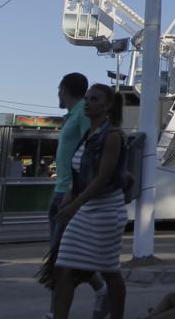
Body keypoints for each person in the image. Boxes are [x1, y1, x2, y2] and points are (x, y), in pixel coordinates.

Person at [52, 84, 128, 319]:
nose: (87, 102)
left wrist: (74, 206)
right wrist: (70, 196)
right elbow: (82, 174)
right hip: (86, 208)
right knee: (63, 266)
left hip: (106, 210)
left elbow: (102, 178)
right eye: (86, 98)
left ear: (107, 106)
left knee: (109, 270)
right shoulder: (89, 135)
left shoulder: (113, 136)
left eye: (94, 99)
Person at [45, 72, 108, 319]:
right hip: (61, 190)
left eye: (59, 90)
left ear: (64, 89)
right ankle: (101, 288)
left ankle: (55, 312)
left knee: (59, 259)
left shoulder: (83, 113)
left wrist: (76, 190)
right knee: (65, 255)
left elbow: (91, 146)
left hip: (69, 194)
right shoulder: (73, 115)